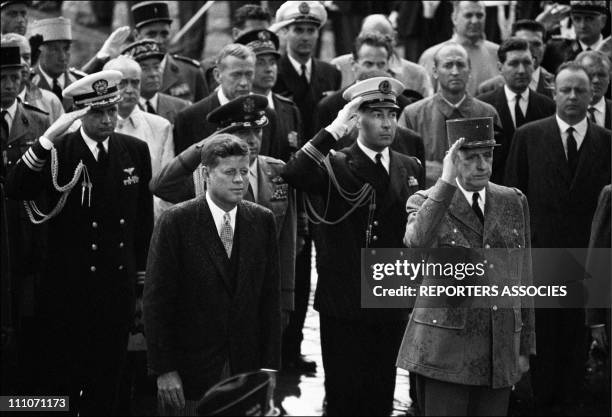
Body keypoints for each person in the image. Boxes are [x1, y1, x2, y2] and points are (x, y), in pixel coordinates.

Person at [5, 70, 153, 415]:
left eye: (111, 111)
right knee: (63, 383)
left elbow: (141, 224)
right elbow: (15, 189)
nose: (106, 120)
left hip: (115, 287)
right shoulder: (59, 150)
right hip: (67, 288)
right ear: (79, 115)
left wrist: (141, 284)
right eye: (97, 113)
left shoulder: (134, 151)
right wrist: (47, 138)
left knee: (110, 383)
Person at [282, 77, 424, 415]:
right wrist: (332, 130)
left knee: (381, 393)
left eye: (392, 113)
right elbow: (294, 173)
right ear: (356, 118)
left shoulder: (409, 166)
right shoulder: (334, 163)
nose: (387, 122)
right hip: (344, 300)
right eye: (376, 114)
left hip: (390, 296)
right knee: (344, 397)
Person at [397, 117, 535, 416]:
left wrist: (524, 347)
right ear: (452, 160)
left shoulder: (512, 200)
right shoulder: (425, 202)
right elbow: (416, 242)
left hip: (499, 351)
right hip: (445, 353)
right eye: (471, 157)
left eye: (487, 155)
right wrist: (445, 183)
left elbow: (523, 277)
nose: (482, 165)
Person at [144, 133, 281, 415]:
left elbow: (269, 302)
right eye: (230, 172)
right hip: (190, 375)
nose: (239, 180)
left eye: (244, 171)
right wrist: (164, 370)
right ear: (206, 173)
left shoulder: (261, 220)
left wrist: (269, 368)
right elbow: (157, 303)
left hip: (245, 370)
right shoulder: (177, 222)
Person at [505, 61, 611, 415]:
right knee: (542, 350)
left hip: (588, 263)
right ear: (553, 93)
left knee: (577, 352)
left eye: (580, 90)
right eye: (565, 89)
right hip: (541, 263)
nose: (572, 96)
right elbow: (512, 202)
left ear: (593, 93)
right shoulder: (529, 136)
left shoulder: (607, 142)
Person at [150, 94, 297, 333]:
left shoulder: (277, 172)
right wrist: (204, 145)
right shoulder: (204, 175)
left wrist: (285, 300)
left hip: (260, 292)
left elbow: (286, 244)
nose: (251, 140)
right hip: (212, 295)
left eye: (257, 132)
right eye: (242, 133)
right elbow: (160, 186)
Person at [0, 44, 49, 395]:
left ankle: (30, 399)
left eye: (14, 77)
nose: (8, 84)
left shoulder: (40, 121)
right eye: (1, 78)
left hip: (30, 234)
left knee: (31, 321)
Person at [399, 42, 501, 187]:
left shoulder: (487, 113)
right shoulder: (413, 114)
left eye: (460, 65)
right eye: (448, 65)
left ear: (470, 70)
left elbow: (497, 164)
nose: (455, 71)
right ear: (434, 71)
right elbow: (402, 162)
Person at [102, 55, 174, 220]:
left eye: (135, 82)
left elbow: (167, 185)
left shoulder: (160, 127)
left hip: (147, 218)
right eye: (122, 83)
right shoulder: (91, 128)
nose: (129, 90)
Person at [477, 38, 555, 183]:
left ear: (534, 64)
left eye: (526, 63)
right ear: (500, 68)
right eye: (513, 64)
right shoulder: (483, 106)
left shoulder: (548, 106)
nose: (521, 70)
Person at [273, 0, 341, 140]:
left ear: (318, 34)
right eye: (298, 30)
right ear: (285, 32)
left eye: (311, 31)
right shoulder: (274, 72)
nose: (305, 37)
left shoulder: (331, 73)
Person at [173, 43, 256, 154]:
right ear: (217, 75)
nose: (244, 83)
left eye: (249, 74)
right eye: (236, 75)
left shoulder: (266, 115)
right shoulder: (190, 118)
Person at [235, 28, 302, 162]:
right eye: (260, 63)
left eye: (272, 62)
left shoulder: (289, 108)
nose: (268, 69)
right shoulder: (236, 108)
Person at [330, 14, 433, 98]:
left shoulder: (417, 74)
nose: (377, 44)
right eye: (368, 38)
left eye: (385, 39)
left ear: (395, 37)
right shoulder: (337, 67)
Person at [419, 1, 499, 96]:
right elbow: (424, 103)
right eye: (468, 15)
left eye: (479, 15)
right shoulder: (433, 55)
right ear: (454, 18)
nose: (475, 21)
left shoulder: (497, 53)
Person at [477, 19, 555, 98]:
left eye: (536, 44)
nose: (529, 50)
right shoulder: (489, 88)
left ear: (544, 48)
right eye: (522, 44)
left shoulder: (557, 84)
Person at [121, 39, 191, 125]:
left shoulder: (181, 107)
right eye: (144, 68)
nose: (153, 74)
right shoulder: (122, 110)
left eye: (157, 67)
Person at [1, 33, 64, 123]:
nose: (22, 63)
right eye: (15, 57)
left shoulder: (50, 101)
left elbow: (65, 136)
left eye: (26, 57)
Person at [28, 17, 85, 111]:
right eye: (54, 50)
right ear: (39, 51)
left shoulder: (80, 82)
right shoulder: (26, 83)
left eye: (66, 49)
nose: (62, 57)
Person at [542, 1, 609, 74]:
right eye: (577, 19)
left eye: (589, 19)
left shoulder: (609, 52)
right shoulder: (554, 50)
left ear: (603, 21)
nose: (582, 25)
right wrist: (540, 27)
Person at [575, 50, 611, 129]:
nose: (596, 80)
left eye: (601, 75)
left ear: (609, 78)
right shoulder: (560, 112)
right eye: (590, 75)